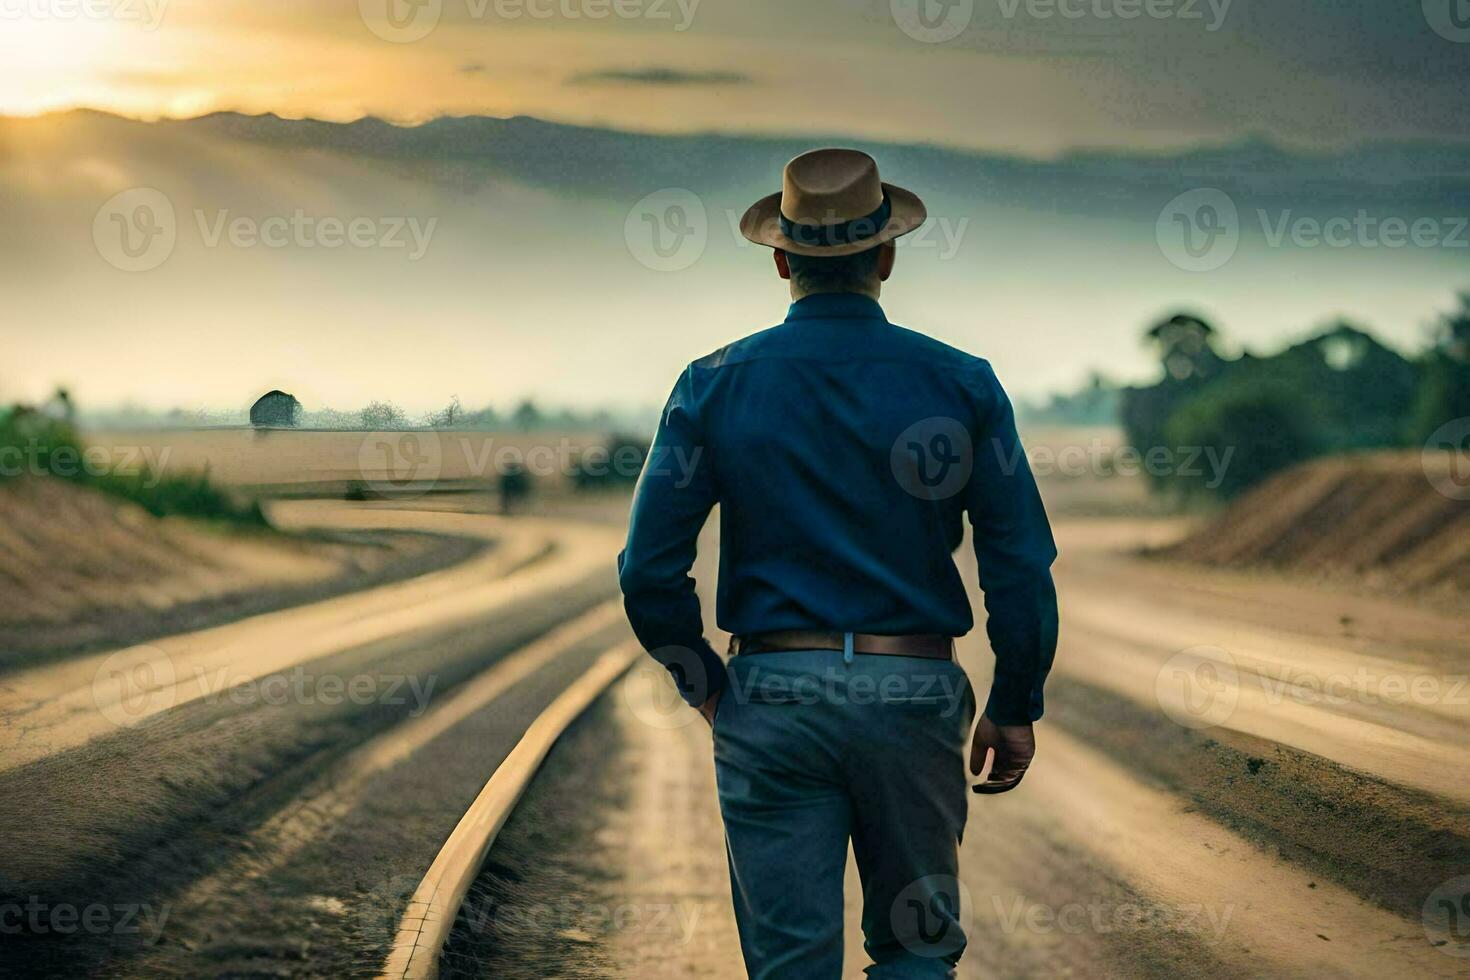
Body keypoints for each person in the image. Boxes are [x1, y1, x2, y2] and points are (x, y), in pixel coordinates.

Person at [618, 148, 1059, 978]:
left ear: (781, 260)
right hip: (914, 694)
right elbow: (1019, 562)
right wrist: (1014, 699)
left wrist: (709, 687)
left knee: (790, 964)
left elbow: (648, 571)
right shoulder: (963, 383)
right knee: (916, 950)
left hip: (773, 694)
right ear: (887, 255)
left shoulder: (711, 385)